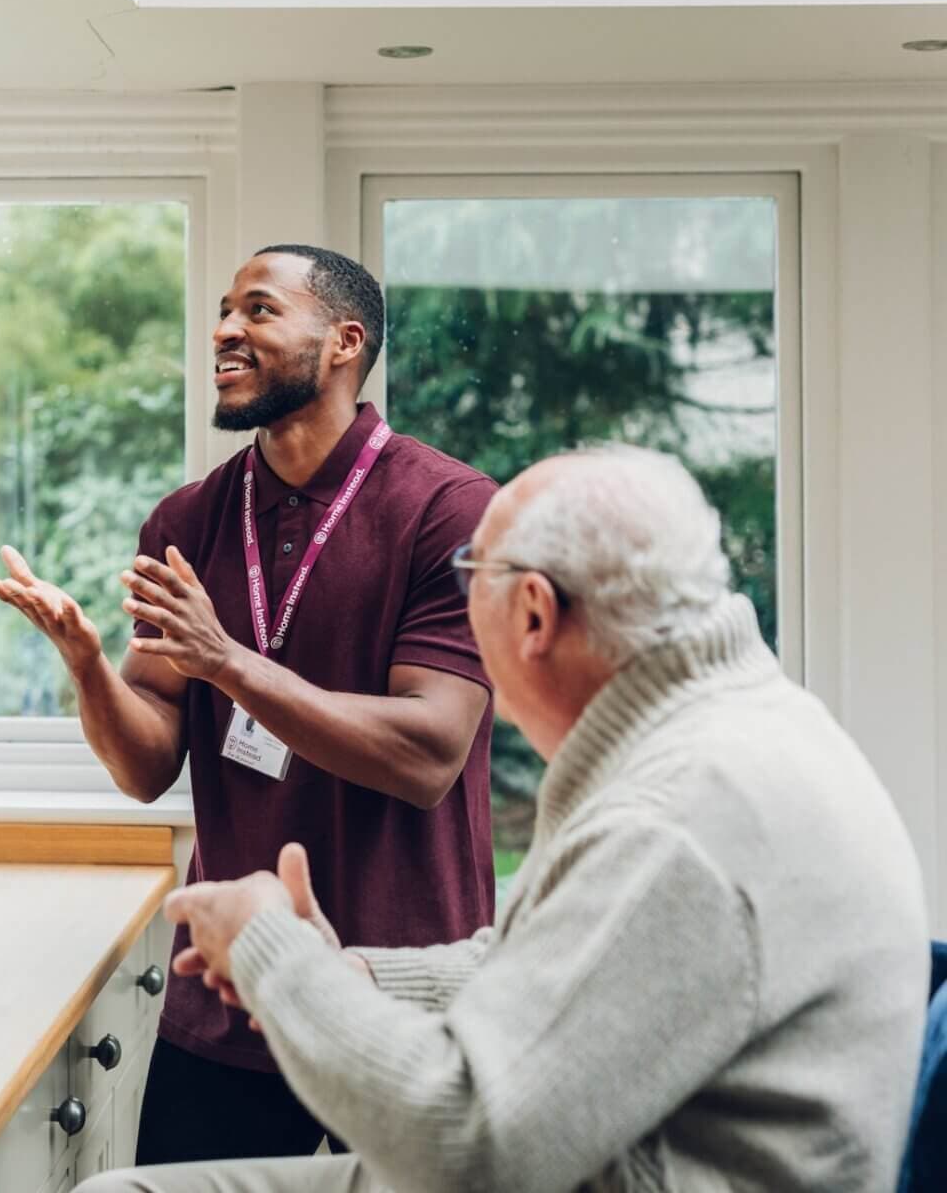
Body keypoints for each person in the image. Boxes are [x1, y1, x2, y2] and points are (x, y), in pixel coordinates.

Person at [81, 443, 929, 1193]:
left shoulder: (675, 818)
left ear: (531, 614)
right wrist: (359, 976)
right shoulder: (741, 730)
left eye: (468, 579)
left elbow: (468, 1151)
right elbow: (582, 963)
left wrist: (273, 956)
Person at [0, 245, 497, 1164]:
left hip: (402, 996)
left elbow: (428, 755)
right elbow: (147, 767)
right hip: (228, 998)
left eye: (259, 310)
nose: (224, 330)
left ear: (344, 342)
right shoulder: (187, 521)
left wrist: (227, 661)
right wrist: (90, 667)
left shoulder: (451, 509)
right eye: (223, 310)